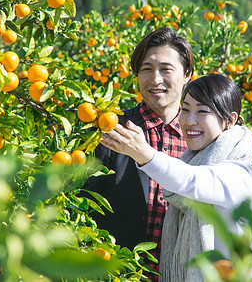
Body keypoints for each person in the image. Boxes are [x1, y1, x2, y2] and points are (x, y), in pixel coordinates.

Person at [100, 74, 252, 281]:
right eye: (186, 109)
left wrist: (143, 153)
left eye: (202, 111)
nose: (189, 121)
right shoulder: (193, 161)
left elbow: (190, 181)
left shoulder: (239, 175)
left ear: (230, 120)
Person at [83, 27, 194, 280]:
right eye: (146, 69)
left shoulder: (199, 138)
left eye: (166, 69)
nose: (155, 80)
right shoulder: (111, 132)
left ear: (187, 74)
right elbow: (83, 205)